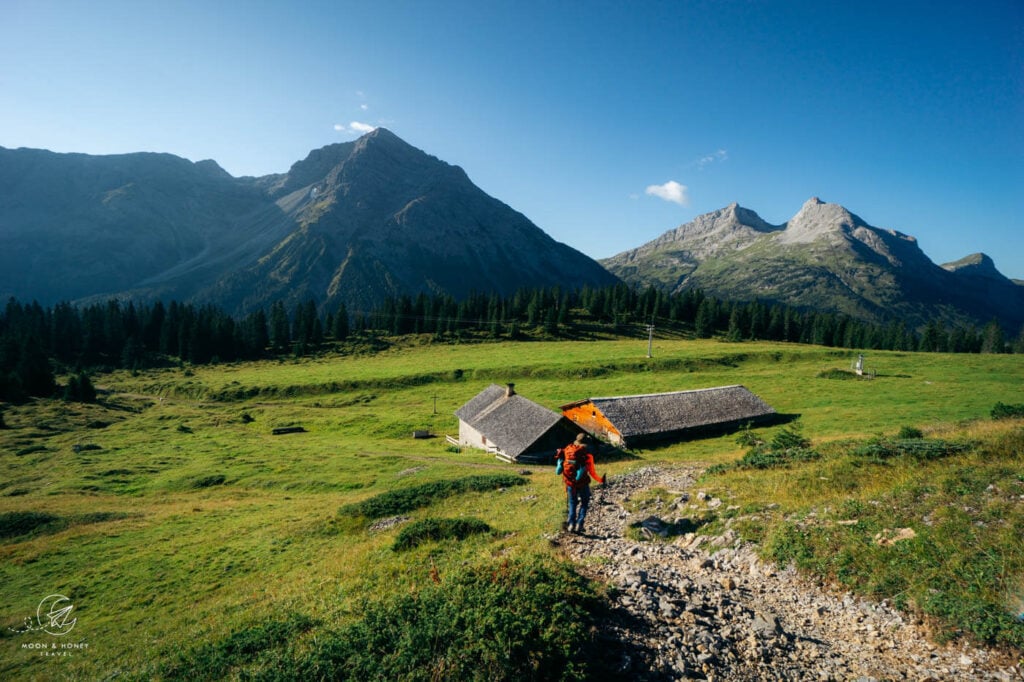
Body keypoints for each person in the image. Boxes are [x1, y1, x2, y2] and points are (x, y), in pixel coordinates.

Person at [555, 433, 605, 534]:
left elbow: (560, 469)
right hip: (583, 484)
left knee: (572, 503)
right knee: (584, 503)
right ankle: (579, 524)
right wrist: (601, 480)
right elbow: (592, 473)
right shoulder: (588, 456)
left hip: (570, 484)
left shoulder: (567, 452)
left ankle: (571, 524)